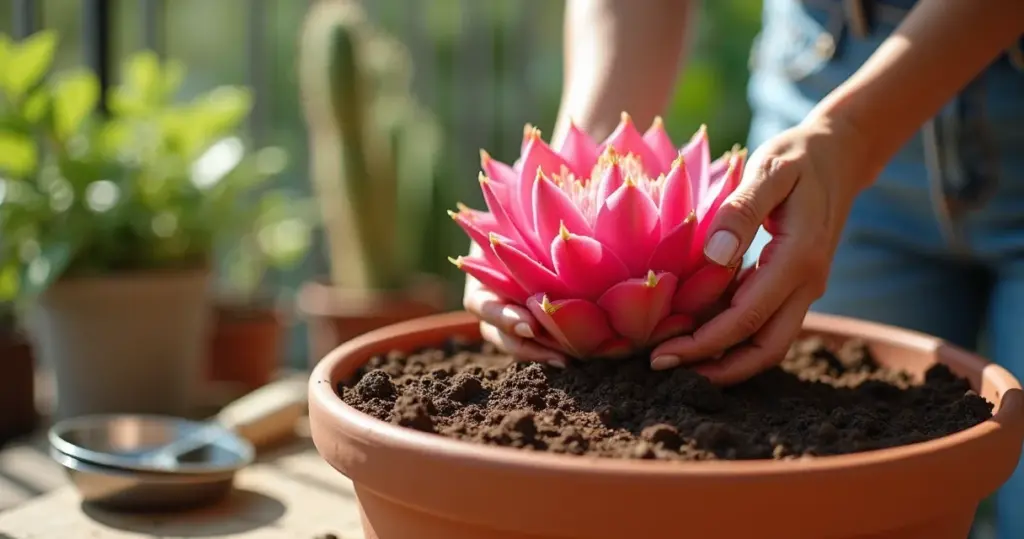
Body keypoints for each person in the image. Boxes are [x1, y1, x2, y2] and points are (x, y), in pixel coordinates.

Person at [463, 0, 1024, 535]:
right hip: (821, 103)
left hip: (850, 136)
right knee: (843, 505)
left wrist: (852, 137)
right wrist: (578, 157)